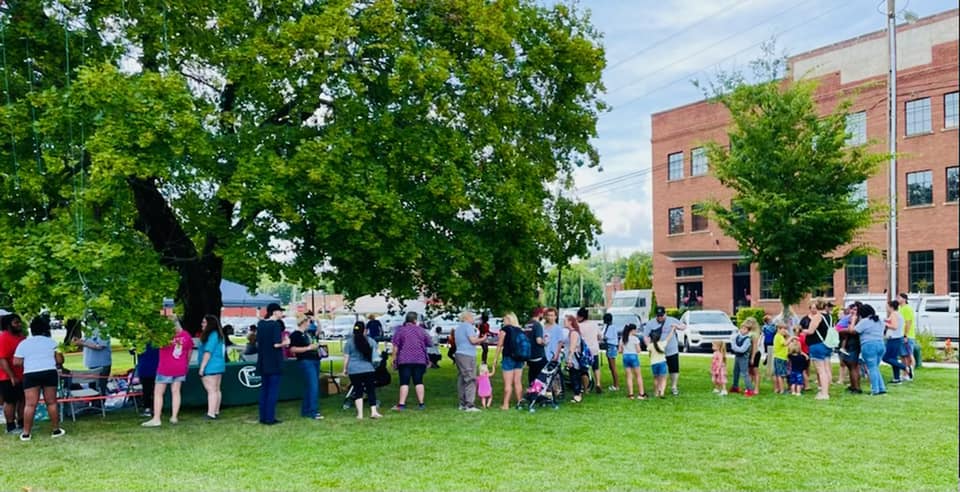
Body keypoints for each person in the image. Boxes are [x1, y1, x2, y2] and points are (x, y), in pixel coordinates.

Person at [13, 317, 65, 441]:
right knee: (51, 402)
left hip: (31, 374)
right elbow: (59, 360)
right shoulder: (52, 342)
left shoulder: (24, 343)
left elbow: (16, 362)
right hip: (49, 372)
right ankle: (56, 429)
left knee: (30, 404)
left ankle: (26, 433)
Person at [142, 318, 194, 427]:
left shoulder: (163, 337)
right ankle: (174, 417)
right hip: (180, 367)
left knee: (158, 393)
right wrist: (186, 364)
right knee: (176, 391)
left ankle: (156, 418)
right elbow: (189, 352)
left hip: (165, 367)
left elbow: (153, 342)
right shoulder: (186, 336)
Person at [390, 312, 431, 410]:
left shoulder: (400, 331)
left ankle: (401, 404)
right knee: (419, 381)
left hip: (404, 359)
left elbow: (395, 346)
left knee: (404, 382)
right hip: (419, 359)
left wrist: (393, 358)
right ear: (415, 320)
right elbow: (429, 342)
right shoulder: (421, 330)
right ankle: (421, 403)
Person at [255, 303, 287, 424]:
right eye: (280, 311)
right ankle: (270, 418)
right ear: (274, 312)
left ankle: (263, 416)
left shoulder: (261, 324)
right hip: (274, 362)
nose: (281, 313)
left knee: (264, 390)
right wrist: (285, 342)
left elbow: (259, 342)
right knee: (273, 391)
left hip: (263, 361)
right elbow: (276, 344)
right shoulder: (275, 325)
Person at [642, 306, 686, 396]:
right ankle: (658, 389)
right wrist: (650, 347)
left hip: (671, 349)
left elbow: (683, 326)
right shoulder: (650, 323)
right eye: (658, 316)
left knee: (674, 369)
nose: (660, 317)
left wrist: (676, 326)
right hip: (658, 352)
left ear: (665, 314)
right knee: (658, 372)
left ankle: (674, 386)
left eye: (662, 315)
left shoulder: (672, 320)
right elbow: (645, 336)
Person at [342, 322, 382, 420]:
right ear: (365, 330)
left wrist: (345, 369)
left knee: (358, 390)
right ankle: (374, 412)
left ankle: (360, 414)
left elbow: (346, 358)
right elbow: (378, 354)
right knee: (370, 390)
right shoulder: (371, 341)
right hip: (368, 369)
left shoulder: (349, 342)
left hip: (354, 369)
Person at [288, 313, 322, 420]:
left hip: (315, 360)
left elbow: (318, 332)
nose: (310, 324)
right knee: (313, 386)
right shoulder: (295, 335)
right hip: (306, 361)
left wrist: (318, 321)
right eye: (308, 322)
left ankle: (306, 410)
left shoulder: (309, 334)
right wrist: (308, 348)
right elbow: (292, 349)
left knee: (310, 386)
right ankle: (313, 411)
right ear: (303, 322)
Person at [453, 312, 487, 412]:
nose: (473, 319)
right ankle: (469, 405)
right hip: (468, 355)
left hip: (459, 354)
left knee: (462, 379)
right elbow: (473, 341)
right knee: (470, 379)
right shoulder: (468, 327)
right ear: (467, 318)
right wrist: (483, 339)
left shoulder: (458, 328)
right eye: (472, 317)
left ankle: (462, 403)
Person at [491, 313, 525, 409]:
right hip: (519, 359)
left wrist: (495, 359)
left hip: (508, 358)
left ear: (508, 320)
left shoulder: (504, 330)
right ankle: (520, 402)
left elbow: (499, 345)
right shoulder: (520, 330)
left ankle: (506, 404)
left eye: (504, 320)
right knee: (518, 382)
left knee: (508, 383)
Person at [800, 299, 832, 400]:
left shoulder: (817, 316)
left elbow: (811, 331)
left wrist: (802, 330)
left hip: (817, 344)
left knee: (821, 371)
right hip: (827, 344)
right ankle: (826, 390)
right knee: (827, 369)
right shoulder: (829, 316)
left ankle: (824, 393)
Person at [853, 303, 887, 396]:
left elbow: (854, 331)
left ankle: (875, 390)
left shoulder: (864, 321)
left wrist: (853, 320)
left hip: (868, 345)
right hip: (881, 344)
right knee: (875, 367)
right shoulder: (880, 320)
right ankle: (882, 388)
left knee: (871, 368)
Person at [0, 313, 26, 433]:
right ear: (8, 325)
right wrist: (11, 376)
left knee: (22, 399)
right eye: (16, 322)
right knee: (10, 401)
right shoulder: (3, 337)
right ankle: (10, 426)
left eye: (19, 322)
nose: (19, 324)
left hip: (23, 374)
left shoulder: (21, 337)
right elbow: (2, 359)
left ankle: (22, 423)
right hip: (7, 377)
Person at [197, 315, 226, 420]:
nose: (202, 324)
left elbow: (208, 352)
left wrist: (202, 368)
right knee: (217, 389)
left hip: (210, 366)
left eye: (204, 322)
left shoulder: (211, 336)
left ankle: (211, 413)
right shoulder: (219, 335)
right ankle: (216, 411)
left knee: (211, 390)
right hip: (219, 366)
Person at [72, 326, 112, 396]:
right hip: (91, 364)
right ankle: (93, 405)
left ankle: (99, 405)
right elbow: (85, 341)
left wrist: (82, 343)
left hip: (102, 364)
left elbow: (100, 346)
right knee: (92, 388)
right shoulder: (89, 329)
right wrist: (78, 341)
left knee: (100, 387)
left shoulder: (104, 330)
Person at [576, 308, 603, 394]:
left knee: (584, 370)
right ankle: (598, 383)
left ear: (581, 317)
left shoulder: (579, 326)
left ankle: (586, 388)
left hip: (584, 351)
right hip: (594, 349)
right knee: (596, 367)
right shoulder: (594, 324)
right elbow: (600, 336)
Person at [562, 314, 587, 403]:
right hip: (573, 358)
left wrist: (569, 358)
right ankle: (577, 393)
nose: (563, 322)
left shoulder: (573, 333)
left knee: (575, 376)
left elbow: (572, 347)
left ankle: (577, 394)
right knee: (573, 375)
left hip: (574, 359)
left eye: (565, 321)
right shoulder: (572, 332)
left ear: (570, 322)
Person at [839, 304, 863, 394]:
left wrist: (842, 330)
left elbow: (851, 330)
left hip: (853, 343)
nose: (853, 311)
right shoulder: (850, 318)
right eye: (852, 309)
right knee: (849, 365)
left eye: (855, 310)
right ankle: (853, 385)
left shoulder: (857, 319)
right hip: (849, 343)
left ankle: (856, 388)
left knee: (853, 366)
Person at [883, 300, 908, 385]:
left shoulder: (894, 314)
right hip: (897, 338)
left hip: (893, 338)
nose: (886, 308)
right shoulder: (898, 314)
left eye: (887, 306)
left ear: (891, 307)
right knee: (893, 359)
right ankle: (896, 378)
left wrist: (885, 324)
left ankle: (904, 367)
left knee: (886, 358)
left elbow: (894, 326)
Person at [648, 322, 674, 398]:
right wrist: (672, 329)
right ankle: (662, 392)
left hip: (654, 363)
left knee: (656, 378)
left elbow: (649, 354)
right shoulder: (662, 344)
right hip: (662, 362)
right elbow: (669, 337)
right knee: (663, 378)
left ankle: (656, 392)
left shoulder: (650, 346)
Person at [728, 321, 755, 397]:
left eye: (745, 329)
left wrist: (734, 347)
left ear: (748, 330)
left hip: (744, 358)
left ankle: (750, 390)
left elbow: (742, 350)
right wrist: (735, 347)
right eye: (741, 328)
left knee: (744, 373)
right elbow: (733, 345)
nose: (742, 330)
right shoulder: (737, 337)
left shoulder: (747, 340)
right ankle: (735, 387)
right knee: (735, 371)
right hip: (737, 357)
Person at [620, 323, 646, 399]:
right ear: (632, 330)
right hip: (633, 356)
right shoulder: (635, 339)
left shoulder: (623, 339)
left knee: (629, 376)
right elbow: (638, 350)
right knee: (638, 375)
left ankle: (631, 394)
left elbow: (620, 350)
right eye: (635, 330)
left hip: (625, 356)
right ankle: (641, 394)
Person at [135, 343, 160, 417]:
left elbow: (133, 351)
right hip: (155, 367)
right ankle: (154, 407)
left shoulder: (140, 341)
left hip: (146, 368)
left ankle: (148, 408)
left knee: (147, 390)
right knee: (154, 390)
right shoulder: (159, 340)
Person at [524, 309, 546, 387]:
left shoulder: (527, 325)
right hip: (538, 354)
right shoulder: (537, 325)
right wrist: (545, 343)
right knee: (540, 375)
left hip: (529, 354)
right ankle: (537, 392)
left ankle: (531, 389)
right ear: (539, 314)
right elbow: (539, 340)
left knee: (532, 374)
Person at [899, 293, 919, 372]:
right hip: (901, 335)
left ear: (904, 299)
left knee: (908, 355)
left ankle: (910, 372)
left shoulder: (907, 309)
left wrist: (905, 335)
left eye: (899, 298)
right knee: (903, 355)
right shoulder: (900, 308)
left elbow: (908, 322)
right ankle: (905, 372)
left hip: (908, 335)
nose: (897, 299)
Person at [772, 322, 790, 395]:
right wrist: (792, 338)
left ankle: (777, 389)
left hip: (778, 357)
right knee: (781, 375)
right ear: (779, 329)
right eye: (784, 329)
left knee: (777, 374)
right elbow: (785, 344)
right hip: (781, 358)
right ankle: (782, 390)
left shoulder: (778, 336)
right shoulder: (779, 336)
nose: (785, 331)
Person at [747, 318, 763, 393]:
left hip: (755, 354)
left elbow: (755, 347)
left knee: (755, 371)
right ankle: (749, 387)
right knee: (749, 371)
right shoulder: (748, 332)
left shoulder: (754, 334)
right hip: (748, 354)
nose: (747, 323)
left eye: (749, 322)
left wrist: (752, 358)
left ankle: (756, 389)